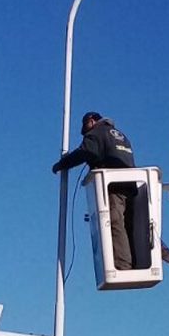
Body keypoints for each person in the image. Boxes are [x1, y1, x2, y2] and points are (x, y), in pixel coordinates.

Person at [52, 112, 136, 270]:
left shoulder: (97, 132)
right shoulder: (120, 135)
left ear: (91, 121)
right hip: (130, 187)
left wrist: (62, 164)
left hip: (113, 186)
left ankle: (122, 266)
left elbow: (86, 151)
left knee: (113, 222)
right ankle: (130, 262)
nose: (84, 133)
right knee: (126, 225)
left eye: (85, 128)